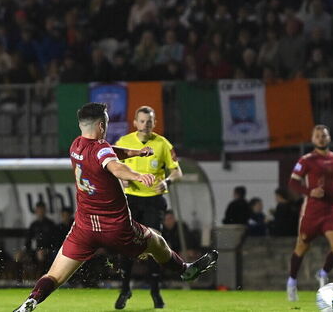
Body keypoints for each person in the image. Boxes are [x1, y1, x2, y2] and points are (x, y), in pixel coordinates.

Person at [12, 102, 218, 312]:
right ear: (101, 125)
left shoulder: (75, 146)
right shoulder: (102, 149)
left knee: (54, 276)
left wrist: (135, 153)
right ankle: (184, 270)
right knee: (157, 241)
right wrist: (139, 175)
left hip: (84, 229)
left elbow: (109, 153)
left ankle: (31, 302)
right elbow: (115, 166)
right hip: (116, 228)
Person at [113, 105, 183, 310]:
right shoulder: (124, 143)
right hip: (131, 200)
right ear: (135, 123)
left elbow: (177, 172)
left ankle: (155, 291)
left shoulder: (163, 144)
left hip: (154, 200)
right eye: (142, 121)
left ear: (155, 123)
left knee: (154, 245)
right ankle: (125, 289)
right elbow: (112, 168)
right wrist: (122, 181)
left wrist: (167, 182)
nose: (145, 125)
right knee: (126, 245)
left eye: (149, 121)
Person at [286, 125, 333, 301]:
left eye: (324, 135)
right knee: (302, 246)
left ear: (329, 138)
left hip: (330, 210)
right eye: (317, 135)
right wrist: (309, 192)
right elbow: (293, 183)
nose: (321, 138)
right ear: (312, 139)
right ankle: (291, 282)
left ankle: (322, 273)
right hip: (312, 211)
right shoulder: (306, 160)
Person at [25, 202, 58, 273]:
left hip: (48, 250)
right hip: (36, 250)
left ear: (45, 211)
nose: (40, 212)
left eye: (42, 210)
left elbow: (55, 241)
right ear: (36, 211)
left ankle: (42, 277)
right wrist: (27, 251)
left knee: (41, 255)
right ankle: (20, 281)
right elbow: (28, 240)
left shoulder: (51, 224)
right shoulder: (33, 225)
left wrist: (47, 250)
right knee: (19, 256)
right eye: (39, 210)